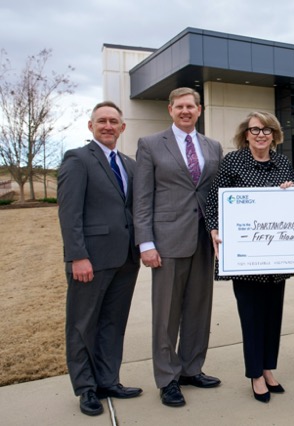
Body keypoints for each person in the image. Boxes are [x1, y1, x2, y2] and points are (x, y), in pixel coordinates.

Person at [133, 87, 224, 407]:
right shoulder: (150, 145)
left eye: (191, 106)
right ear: (170, 110)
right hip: (168, 241)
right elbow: (142, 198)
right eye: (180, 106)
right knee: (167, 314)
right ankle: (167, 378)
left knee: (199, 309)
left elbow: (218, 193)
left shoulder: (213, 146)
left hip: (204, 240)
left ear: (200, 110)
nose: (186, 111)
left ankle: (191, 368)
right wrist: (146, 243)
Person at [57, 101, 142, 416]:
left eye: (114, 121)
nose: (108, 126)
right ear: (90, 126)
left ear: (122, 128)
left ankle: (108, 380)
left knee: (113, 323)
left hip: (126, 259)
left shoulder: (129, 164)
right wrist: (77, 256)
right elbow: (69, 213)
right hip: (90, 260)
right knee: (83, 325)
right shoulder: (78, 159)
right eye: (102, 120)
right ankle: (86, 389)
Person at [205, 111, 294, 403]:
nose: (261, 134)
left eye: (267, 129)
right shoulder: (233, 162)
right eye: (255, 129)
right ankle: (255, 374)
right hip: (245, 257)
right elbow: (213, 200)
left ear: (275, 135)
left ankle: (269, 368)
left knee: (273, 315)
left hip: (276, 256)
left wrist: (293, 192)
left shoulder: (283, 163)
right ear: (246, 134)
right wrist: (214, 229)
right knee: (252, 316)